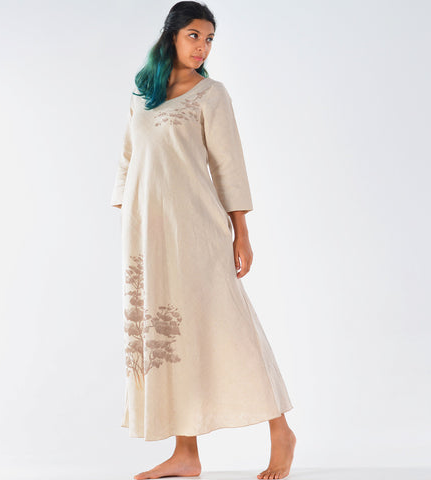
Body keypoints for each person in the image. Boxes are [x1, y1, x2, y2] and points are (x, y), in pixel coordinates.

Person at [110, 2, 296, 479]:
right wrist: (130, 213)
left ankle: (281, 431)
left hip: (196, 228)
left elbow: (228, 164)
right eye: (194, 35)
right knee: (170, 334)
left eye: (209, 39)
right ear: (171, 35)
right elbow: (129, 157)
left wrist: (241, 233)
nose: (202, 47)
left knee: (228, 325)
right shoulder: (141, 94)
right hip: (147, 234)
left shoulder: (211, 94)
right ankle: (185, 453)